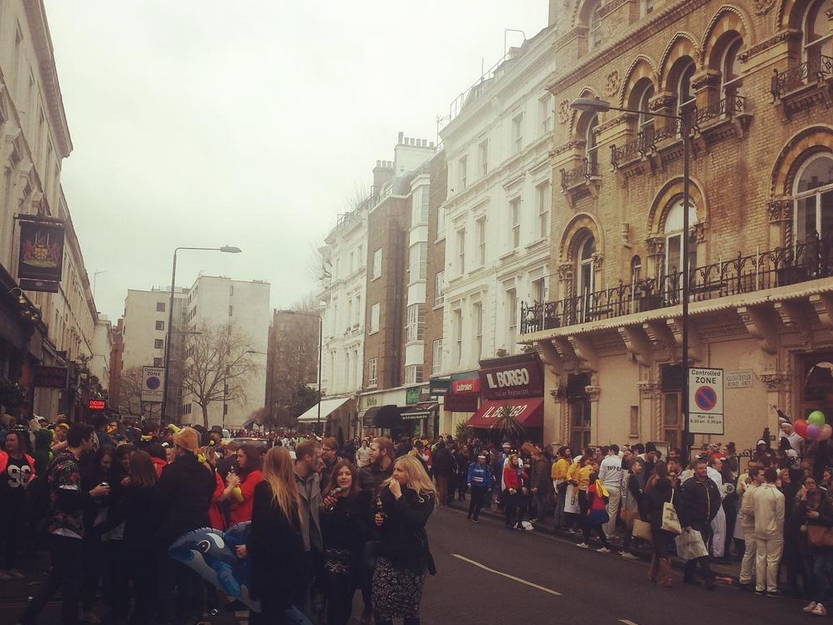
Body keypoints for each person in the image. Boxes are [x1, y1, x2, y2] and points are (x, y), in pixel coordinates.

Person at [19, 423, 108, 625]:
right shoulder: (69, 465)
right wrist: (93, 493)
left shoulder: (61, 460)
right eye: (90, 439)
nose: (93, 443)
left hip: (60, 527)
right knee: (72, 581)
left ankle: (29, 616)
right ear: (84, 440)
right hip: (66, 529)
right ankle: (68, 619)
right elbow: (68, 502)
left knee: (57, 577)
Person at [155, 427, 216, 625]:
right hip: (196, 531)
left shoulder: (172, 471)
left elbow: (161, 501)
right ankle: (185, 615)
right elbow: (208, 499)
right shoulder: (206, 471)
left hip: (173, 531)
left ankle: (165, 618)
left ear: (179, 447)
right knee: (187, 578)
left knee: (167, 579)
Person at [248, 447, 313, 625]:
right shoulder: (291, 493)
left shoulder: (264, 489)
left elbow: (260, 529)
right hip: (287, 567)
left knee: (264, 615)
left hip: (268, 565)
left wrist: (248, 547)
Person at [372, 455, 435, 625]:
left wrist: (399, 496)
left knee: (410, 608)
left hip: (412, 556)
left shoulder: (424, 495)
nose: (395, 473)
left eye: (400, 470)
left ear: (411, 473)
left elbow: (415, 521)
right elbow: (380, 513)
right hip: (388, 553)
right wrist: (378, 518)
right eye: (394, 469)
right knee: (381, 603)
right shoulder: (387, 490)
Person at [321, 460, 367, 625]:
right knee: (334, 596)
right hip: (332, 554)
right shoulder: (329, 495)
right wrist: (327, 510)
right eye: (340, 474)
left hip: (352, 555)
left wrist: (349, 511)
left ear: (353, 477)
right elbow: (324, 527)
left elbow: (365, 528)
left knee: (346, 597)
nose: (344, 477)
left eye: (347, 474)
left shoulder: (361, 496)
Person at [358, 437, 395, 625]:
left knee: (388, 573)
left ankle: (383, 610)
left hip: (390, 530)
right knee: (368, 571)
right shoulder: (364, 473)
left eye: (373, 448)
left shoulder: (397, 472)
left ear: (384, 452)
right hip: (368, 529)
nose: (369, 451)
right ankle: (368, 606)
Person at [679, 459, 721, 589]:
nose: (704, 470)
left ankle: (688, 575)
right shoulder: (689, 485)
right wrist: (686, 523)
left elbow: (716, 501)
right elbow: (684, 506)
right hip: (694, 523)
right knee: (702, 551)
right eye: (701, 468)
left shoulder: (711, 484)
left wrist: (711, 515)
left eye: (705, 468)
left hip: (706, 522)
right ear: (695, 470)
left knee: (696, 550)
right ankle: (708, 577)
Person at [294, 439, 324, 618]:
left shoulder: (315, 478)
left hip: (313, 543)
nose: (320, 461)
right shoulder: (287, 478)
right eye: (317, 456)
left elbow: (317, 507)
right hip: (296, 543)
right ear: (306, 457)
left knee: (311, 587)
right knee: (297, 592)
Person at [0, 430, 35, 581]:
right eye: (7, 440)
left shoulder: (28, 459)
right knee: (3, 535)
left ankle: (11, 566)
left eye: (12, 440)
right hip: (4, 504)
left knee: (15, 536)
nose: (8, 443)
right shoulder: (2, 457)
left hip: (21, 505)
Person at [752, 467, 785, 596]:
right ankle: (771, 587)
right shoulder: (778, 495)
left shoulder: (757, 491)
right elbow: (780, 517)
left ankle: (759, 586)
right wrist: (780, 532)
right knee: (772, 560)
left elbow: (755, 509)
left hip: (759, 527)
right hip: (773, 530)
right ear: (776, 478)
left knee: (760, 558)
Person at [644, 463, 675, 587]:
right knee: (659, 546)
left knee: (660, 548)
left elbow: (646, 505)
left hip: (656, 520)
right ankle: (653, 573)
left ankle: (666, 577)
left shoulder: (653, 490)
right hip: (669, 520)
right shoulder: (672, 490)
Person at [222, 443, 264, 525]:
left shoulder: (256, 475)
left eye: (240, 456)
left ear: (249, 458)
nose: (237, 459)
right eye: (237, 456)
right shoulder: (242, 474)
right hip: (234, 519)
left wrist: (232, 484)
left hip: (244, 522)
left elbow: (241, 496)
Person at [738, 467, 765, 591]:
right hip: (750, 526)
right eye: (761, 474)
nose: (763, 476)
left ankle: (753, 576)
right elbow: (746, 509)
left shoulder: (761, 489)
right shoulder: (750, 491)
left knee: (757, 552)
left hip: (759, 526)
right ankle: (744, 579)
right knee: (750, 552)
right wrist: (760, 513)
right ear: (755, 476)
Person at [599, 444, 624, 540]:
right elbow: (622, 477)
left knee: (604, 509)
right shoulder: (620, 462)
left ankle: (603, 532)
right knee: (612, 511)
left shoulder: (605, 461)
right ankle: (610, 533)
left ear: (612, 451)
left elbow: (601, 476)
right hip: (616, 487)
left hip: (605, 487)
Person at [502, 454, 528, 530]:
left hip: (518, 489)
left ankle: (519, 522)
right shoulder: (507, 469)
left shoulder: (518, 469)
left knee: (522, 506)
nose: (516, 461)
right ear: (511, 461)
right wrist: (509, 488)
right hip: (511, 490)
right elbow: (506, 479)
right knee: (511, 506)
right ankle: (509, 521)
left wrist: (522, 472)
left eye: (517, 459)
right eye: (514, 459)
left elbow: (525, 477)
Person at [466, 454, 492, 523]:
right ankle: (470, 513)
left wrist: (489, 486)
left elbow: (488, 477)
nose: (483, 461)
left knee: (479, 502)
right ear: (478, 459)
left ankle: (475, 517)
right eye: (481, 459)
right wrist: (469, 482)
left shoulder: (486, 467)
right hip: (474, 486)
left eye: (484, 459)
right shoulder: (473, 465)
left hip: (482, 486)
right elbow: (470, 474)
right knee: (473, 500)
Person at [551, 446, 572, 531]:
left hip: (557, 483)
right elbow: (564, 473)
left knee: (559, 504)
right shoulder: (563, 462)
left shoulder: (557, 461)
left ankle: (557, 523)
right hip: (563, 483)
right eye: (567, 451)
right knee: (563, 504)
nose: (569, 453)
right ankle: (562, 524)